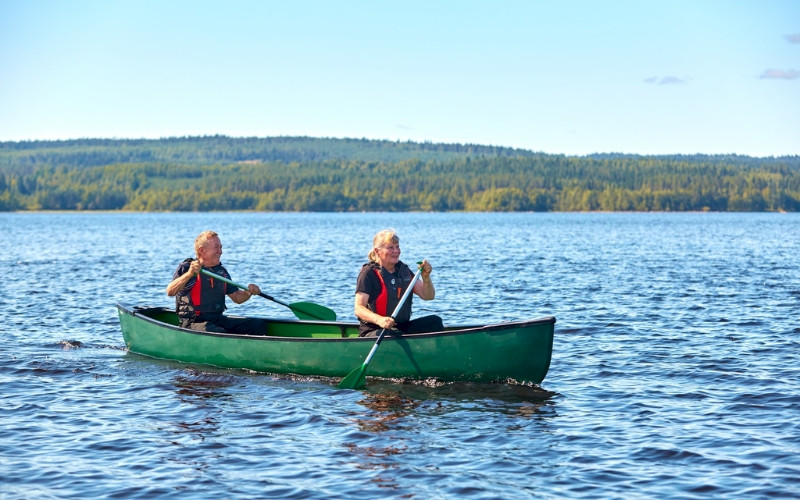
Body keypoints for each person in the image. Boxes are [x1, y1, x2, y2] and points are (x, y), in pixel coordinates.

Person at [166, 230, 267, 335]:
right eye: (216, 247)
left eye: (221, 247)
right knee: (217, 332)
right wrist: (190, 274)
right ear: (202, 251)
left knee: (257, 324)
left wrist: (248, 292)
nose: (220, 251)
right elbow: (170, 291)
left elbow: (237, 297)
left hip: (218, 319)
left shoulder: (221, 272)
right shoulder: (187, 268)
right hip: (193, 322)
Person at [354, 228, 443, 337]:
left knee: (435, 322)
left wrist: (426, 277)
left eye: (397, 247)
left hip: (401, 327)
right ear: (377, 251)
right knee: (394, 334)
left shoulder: (403, 270)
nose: (396, 251)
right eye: (391, 247)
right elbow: (359, 308)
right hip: (375, 330)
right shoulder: (368, 273)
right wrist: (380, 320)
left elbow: (428, 296)